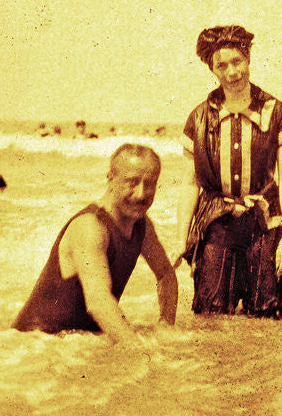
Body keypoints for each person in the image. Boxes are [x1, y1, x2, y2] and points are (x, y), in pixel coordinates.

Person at [174, 25, 282, 318]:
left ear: (248, 59)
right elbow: (190, 184)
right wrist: (181, 238)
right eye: (222, 65)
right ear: (212, 69)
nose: (232, 72)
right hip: (217, 222)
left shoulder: (277, 112)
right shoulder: (199, 118)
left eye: (237, 61)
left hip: (266, 222)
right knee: (211, 316)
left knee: (268, 316)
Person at [13, 144, 177, 348]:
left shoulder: (141, 225)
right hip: (35, 345)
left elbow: (165, 275)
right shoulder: (91, 226)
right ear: (110, 179)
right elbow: (98, 302)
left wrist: (166, 326)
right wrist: (139, 350)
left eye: (150, 183)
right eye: (132, 182)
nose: (141, 194)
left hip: (75, 343)